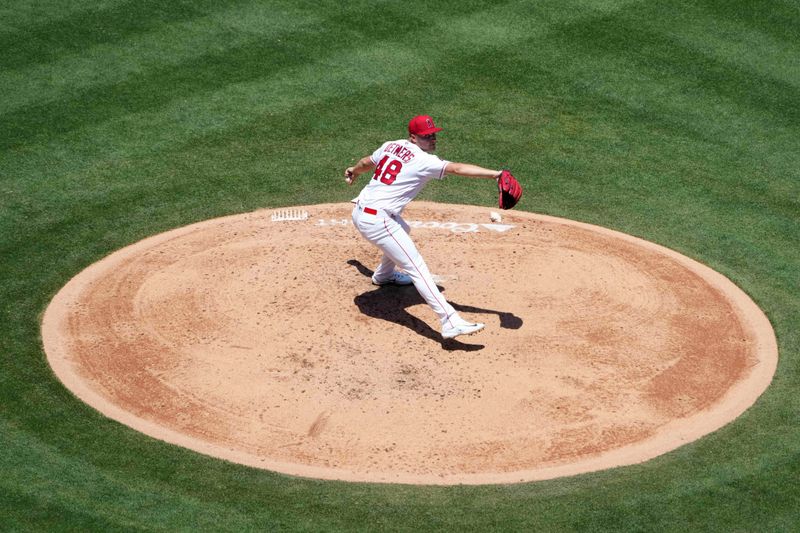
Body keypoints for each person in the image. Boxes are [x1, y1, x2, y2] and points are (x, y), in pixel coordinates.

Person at [345, 114, 503, 340]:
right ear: (413, 137)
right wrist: (495, 175)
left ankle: (383, 276)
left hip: (360, 212)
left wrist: (353, 171)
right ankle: (450, 321)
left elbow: (365, 163)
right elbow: (457, 169)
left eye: (433, 135)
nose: (432, 139)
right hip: (378, 222)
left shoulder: (392, 145)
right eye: (427, 136)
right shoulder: (423, 160)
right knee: (417, 268)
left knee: (403, 230)